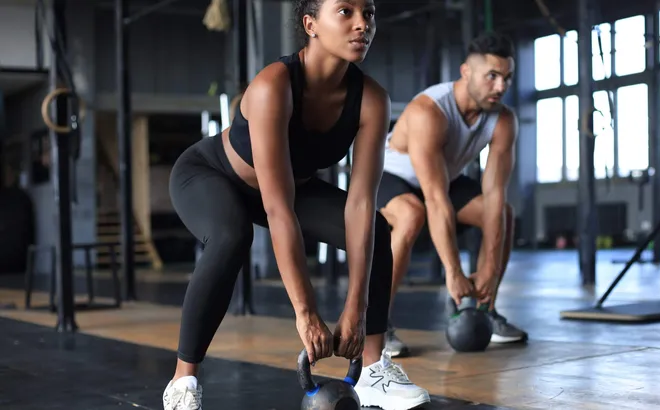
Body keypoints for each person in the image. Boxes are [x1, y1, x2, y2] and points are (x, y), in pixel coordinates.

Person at [162, 0, 430, 409]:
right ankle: (183, 382)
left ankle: (374, 370)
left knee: (377, 227)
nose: (362, 24)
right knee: (232, 236)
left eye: (369, 13)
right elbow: (278, 209)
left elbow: (359, 203)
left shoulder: (372, 99)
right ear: (311, 25)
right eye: (345, 12)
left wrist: (355, 308)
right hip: (212, 175)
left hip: (292, 187)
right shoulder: (275, 84)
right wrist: (306, 313)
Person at [377, 31, 528, 357]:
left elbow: (496, 195)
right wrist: (454, 271)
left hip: (445, 180)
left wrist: (489, 267)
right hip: (392, 176)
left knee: (504, 212)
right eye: (492, 76)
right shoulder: (429, 111)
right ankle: (376, 323)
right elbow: (436, 199)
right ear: (466, 72)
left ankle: (486, 310)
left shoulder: (503, 120)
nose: (501, 87)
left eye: (507, 78)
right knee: (412, 213)